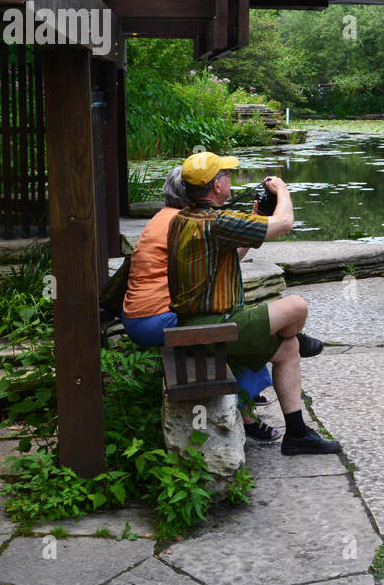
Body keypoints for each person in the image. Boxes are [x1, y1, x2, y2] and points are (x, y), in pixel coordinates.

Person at [168, 151, 339, 455]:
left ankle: (297, 434)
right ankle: (293, 332)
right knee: (297, 306)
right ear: (216, 185)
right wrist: (282, 190)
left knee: (288, 351)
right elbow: (285, 222)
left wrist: (255, 220)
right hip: (213, 329)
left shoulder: (184, 219)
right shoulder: (217, 222)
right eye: (226, 175)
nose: (230, 179)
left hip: (198, 326)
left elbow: (231, 256)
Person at [120, 166, 279, 443]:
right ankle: (247, 414)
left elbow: (221, 262)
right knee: (226, 326)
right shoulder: (185, 223)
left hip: (141, 316)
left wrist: (251, 224)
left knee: (227, 317)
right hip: (155, 317)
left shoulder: (167, 217)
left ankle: (248, 393)